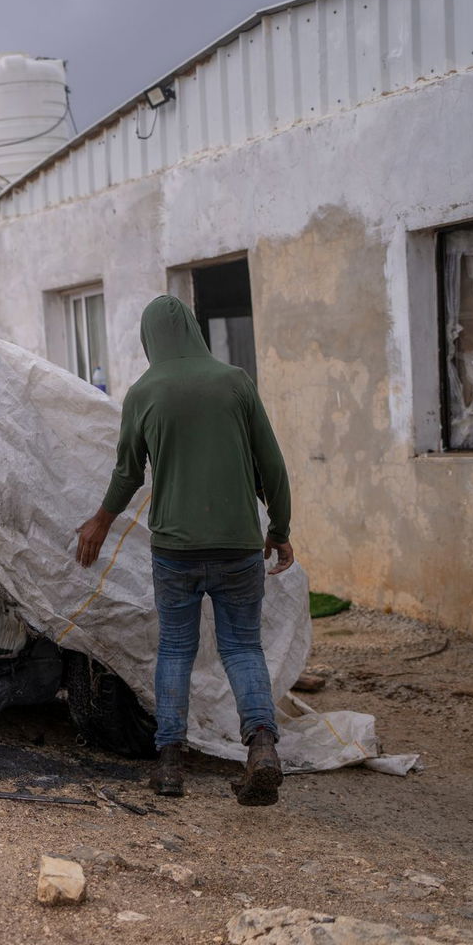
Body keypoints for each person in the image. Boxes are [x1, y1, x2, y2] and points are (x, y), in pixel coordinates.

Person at [75, 295, 294, 806]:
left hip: (175, 550)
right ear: (195, 331)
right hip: (239, 546)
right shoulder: (236, 381)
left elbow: (128, 472)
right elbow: (273, 464)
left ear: (150, 340)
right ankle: (262, 746)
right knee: (242, 648)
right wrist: (279, 528)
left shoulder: (143, 392)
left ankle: (169, 764)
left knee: (175, 649)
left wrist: (102, 520)